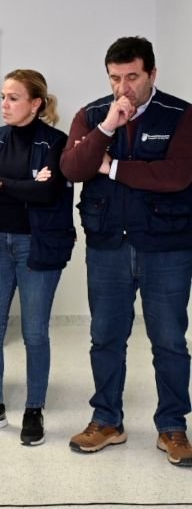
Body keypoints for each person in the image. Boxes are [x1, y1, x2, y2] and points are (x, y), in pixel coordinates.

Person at [61, 36, 192, 467]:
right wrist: (106, 129)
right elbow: (72, 168)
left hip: (166, 247)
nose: (124, 87)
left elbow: (176, 175)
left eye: (132, 77)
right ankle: (107, 421)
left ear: (152, 74)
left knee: (169, 341)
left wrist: (112, 166)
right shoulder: (92, 115)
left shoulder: (180, 115)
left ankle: (172, 426)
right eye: (115, 78)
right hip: (108, 246)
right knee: (106, 337)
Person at [0, 69, 75, 446]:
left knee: (34, 333)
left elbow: (47, 194)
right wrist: (22, 186)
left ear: (35, 103)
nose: (5, 104)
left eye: (13, 98)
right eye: (3, 97)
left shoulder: (56, 142)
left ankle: (33, 409)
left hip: (36, 247)